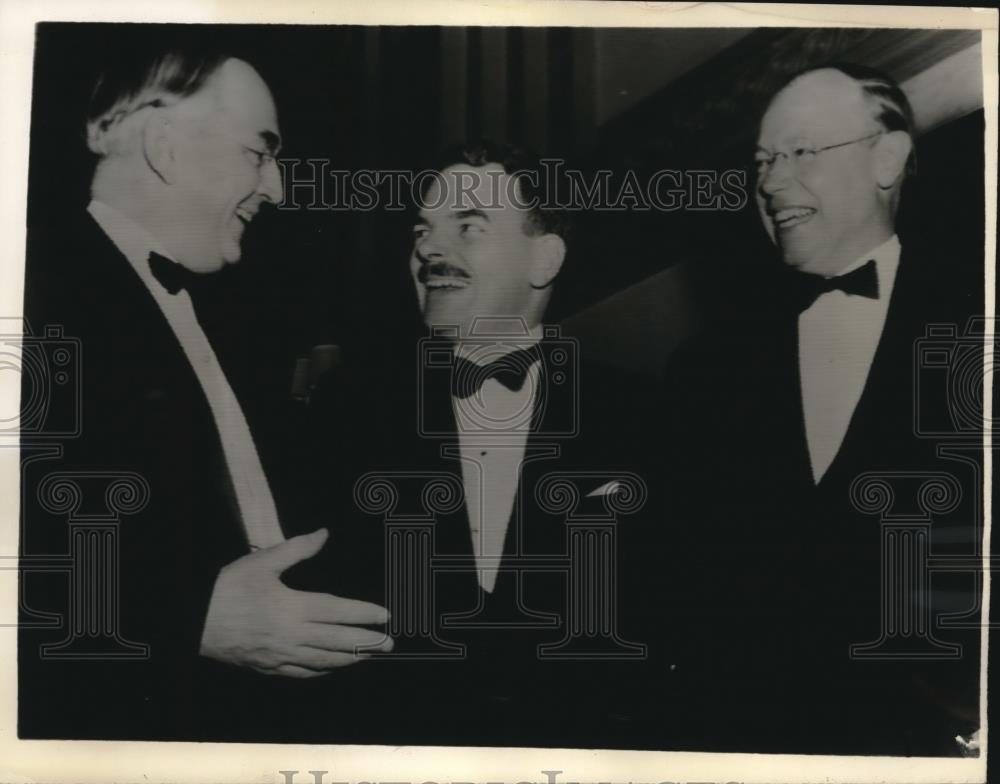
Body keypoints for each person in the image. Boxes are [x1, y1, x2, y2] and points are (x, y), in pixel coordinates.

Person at [18, 47, 390, 742]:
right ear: (164, 146)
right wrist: (188, 617)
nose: (278, 188)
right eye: (260, 153)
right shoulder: (31, 292)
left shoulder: (226, 319)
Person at [304, 142, 678, 748]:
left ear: (544, 259)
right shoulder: (349, 409)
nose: (428, 248)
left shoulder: (640, 416)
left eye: (469, 227)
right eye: (421, 230)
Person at [660, 63, 983, 755]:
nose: (771, 183)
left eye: (801, 152)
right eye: (762, 162)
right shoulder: (701, 374)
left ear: (887, 157)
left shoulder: (978, 326)